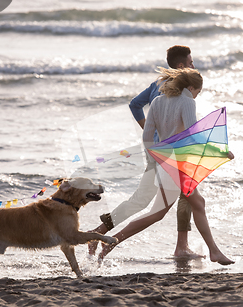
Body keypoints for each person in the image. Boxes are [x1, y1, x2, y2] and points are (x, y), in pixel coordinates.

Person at [98, 67, 234, 266]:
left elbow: (147, 136)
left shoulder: (157, 102)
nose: (196, 96)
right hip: (178, 165)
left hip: (164, 163)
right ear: (190, 87)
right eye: (197, 91)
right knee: (178, 208)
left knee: (173, 209)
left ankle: (111, 242)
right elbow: (193, 135)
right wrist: (221, 151)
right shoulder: (187, 102)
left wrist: (157, 161)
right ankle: (214, 252)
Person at [88, 45, 198, 258]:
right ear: (182, 65)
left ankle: (99, 233)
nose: (194, 65)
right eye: (191, 62)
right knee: (184, 198)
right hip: (172, 155)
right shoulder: (182, 90)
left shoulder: (158, 84)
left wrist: (151, 131)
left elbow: (135, 104)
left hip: (153, 152)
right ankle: (181, 247)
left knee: (141, 199)